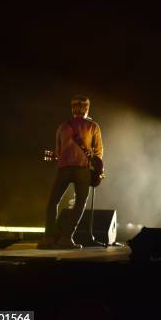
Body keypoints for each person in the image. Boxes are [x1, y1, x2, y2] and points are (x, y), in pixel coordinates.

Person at [37, 95, 103, 249]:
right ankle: (66, 238)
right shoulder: (93, 126)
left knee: (53, 202)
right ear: (87, 109)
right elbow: (99, 153)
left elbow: (58, 153)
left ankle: (48, 238)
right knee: (79, 203)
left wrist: (58, 156)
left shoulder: (63, 126)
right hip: (83, 170)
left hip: (64, 170)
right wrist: (97, 168)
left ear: (72, 109)